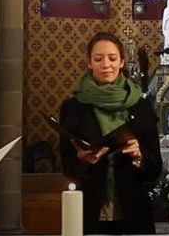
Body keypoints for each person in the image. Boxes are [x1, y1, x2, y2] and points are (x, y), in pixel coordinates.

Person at [60, 32, 162, 234]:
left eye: (112, 58)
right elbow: (67, 165)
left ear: (122, 61)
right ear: (89, 62)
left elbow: (155, 167)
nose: (106, 64)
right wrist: (82, 160)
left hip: (133, 210)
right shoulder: (73, 107)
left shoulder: (141, 106)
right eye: (98, 59)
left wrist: (139, 157)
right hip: (91, 207)